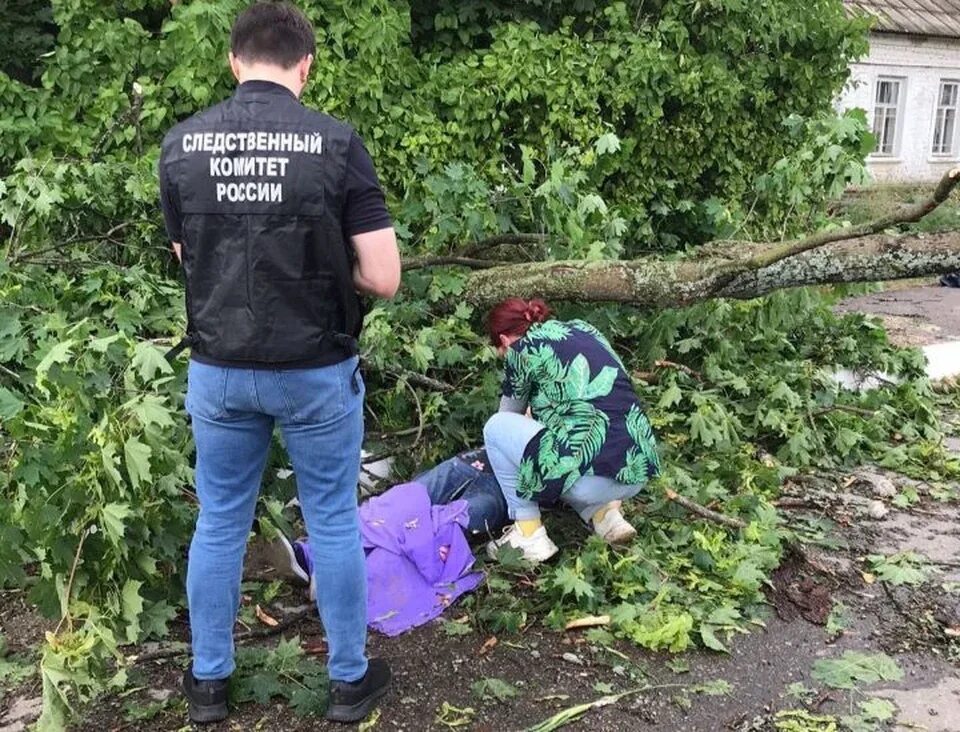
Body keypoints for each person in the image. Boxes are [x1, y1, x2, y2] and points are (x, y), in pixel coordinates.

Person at [158, 3, 400, 724]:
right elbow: (383, 277)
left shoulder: (181, 146)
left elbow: (188, 258)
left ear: (234, 62)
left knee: (220, 521)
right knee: (330, 519)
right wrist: (325, 267)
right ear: (306, 64)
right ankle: (349, 684)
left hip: (220, 367)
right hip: (314, 369)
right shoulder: (336, 144)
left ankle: (207, 687)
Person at [482, 298, 661, 563]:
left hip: (587, 481)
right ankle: (606, 516)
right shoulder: (585, 329)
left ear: (505, 340)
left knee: (495, 429)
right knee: (576, 443)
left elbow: (508, 416)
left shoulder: (521, 349)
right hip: (637, 470)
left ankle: (528, 532)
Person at [269, 448, 510, 600]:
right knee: (403, 501)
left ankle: (345, 575)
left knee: (447, 523)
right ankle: (311, 554)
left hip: (508, 488)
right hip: (481, 457)